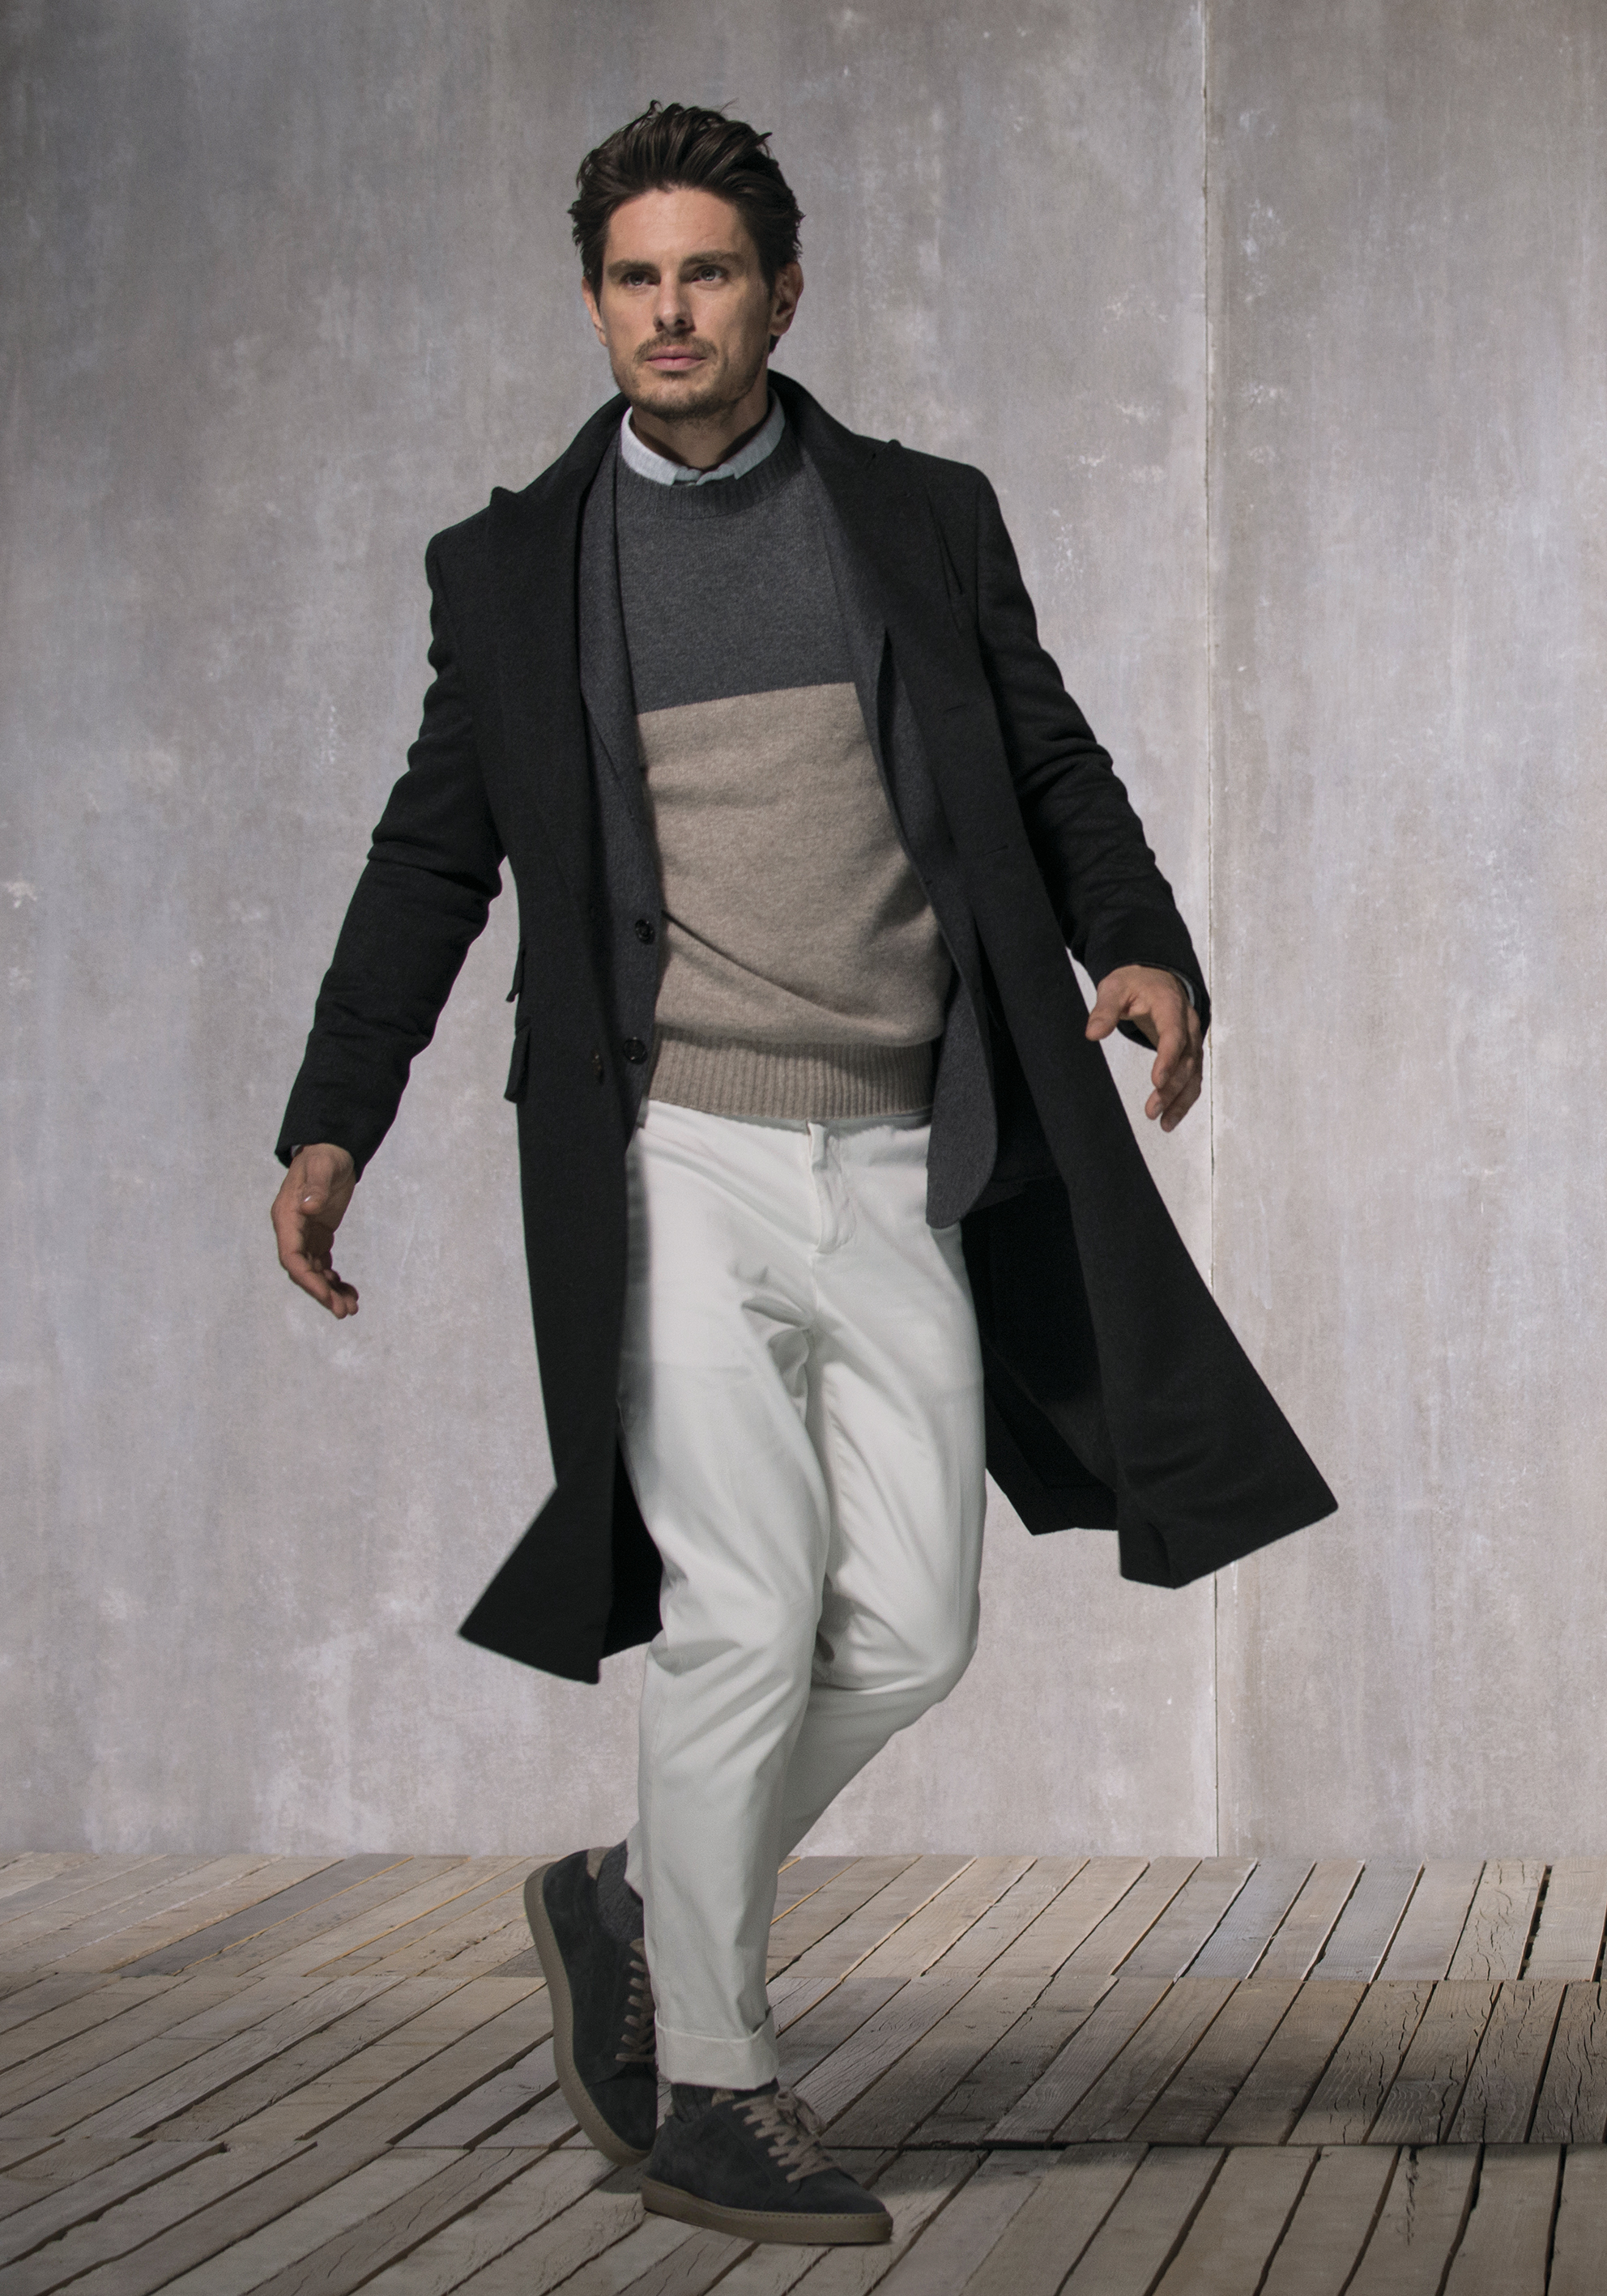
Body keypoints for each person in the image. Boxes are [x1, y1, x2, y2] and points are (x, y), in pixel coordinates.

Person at [271, 103, 1334, 2246]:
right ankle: (717, 2080)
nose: (671, 311)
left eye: (709, 273)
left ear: (781, 293)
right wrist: (333, 1114)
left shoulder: (921, 518)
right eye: (635, 278)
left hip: (906, 1148)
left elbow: (1047, 756)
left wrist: (1138, 940)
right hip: (674, 1156)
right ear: (596, 305)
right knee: (746, 1610)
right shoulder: (511, 573)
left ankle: (636, 1891)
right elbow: (429, 858)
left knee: (914, 1628)